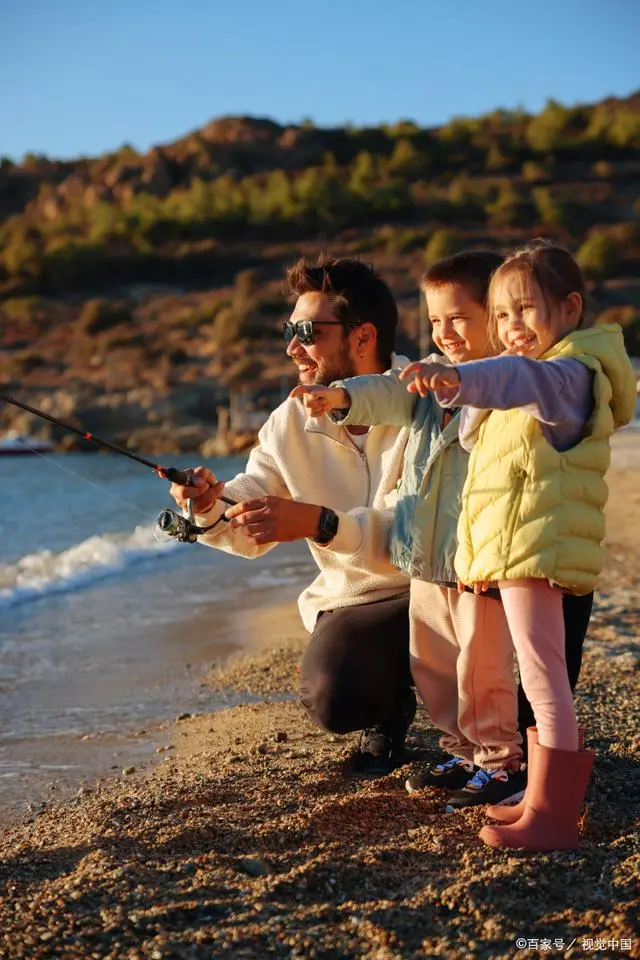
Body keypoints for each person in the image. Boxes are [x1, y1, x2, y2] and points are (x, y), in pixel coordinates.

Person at [398, 239, 636, 850]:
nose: (512, 327)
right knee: (539, 675)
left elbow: (516, 377)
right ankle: (538, 798)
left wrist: (455, 377)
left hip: (540, 555)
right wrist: (479, 563)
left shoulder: (568, 375)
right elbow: (490, 487)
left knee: (543, 679)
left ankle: (553, 816)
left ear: (571, 307)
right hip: (516, 556)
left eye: (526, 309)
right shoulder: (538, 383)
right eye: (502, 315)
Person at [293, 251, 527, 812]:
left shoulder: (504, 385)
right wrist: (344, 397)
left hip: (476, 562)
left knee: (482, 666)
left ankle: (500, 761)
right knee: (432, 664)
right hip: (423, 560)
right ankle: (461, 750)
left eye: (459, 320)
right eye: (437, 321)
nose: (445, 333)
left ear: (495, 320)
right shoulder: (424, 378)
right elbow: (390, 392)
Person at [169, 256, 414, 777]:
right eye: (289, 330)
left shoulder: (425, 401)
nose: (291, 347)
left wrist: (321, 523)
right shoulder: (290, 420)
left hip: (438, 589)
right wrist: (209, 502)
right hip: (356, 602)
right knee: (332, 696)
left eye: (306, 332)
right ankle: (389, 708)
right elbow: (251, 505)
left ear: (363, 335)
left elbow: (413, 531)